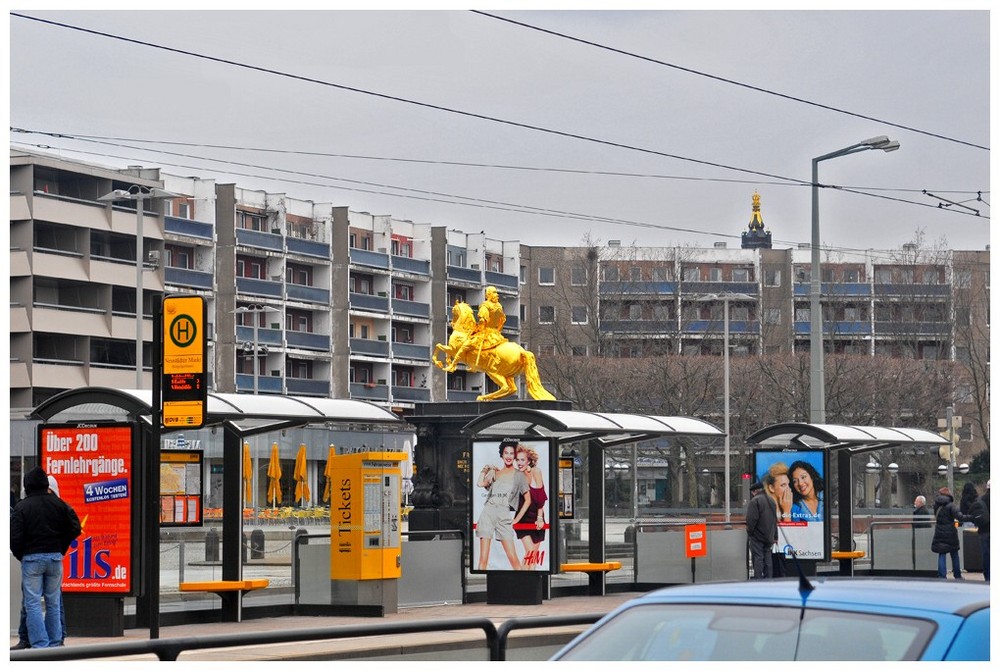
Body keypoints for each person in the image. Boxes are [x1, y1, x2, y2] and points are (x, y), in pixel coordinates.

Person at [10, 467, 82, 649]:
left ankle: (39, 644)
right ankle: (55, 642)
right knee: (53, 602)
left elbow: (14, 537)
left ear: (27, 485)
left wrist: (22, 554)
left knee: (32, 603)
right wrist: (61, 547)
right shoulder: (59, 504)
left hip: (32, 559)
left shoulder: (22, 507)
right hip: (55, 558)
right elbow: (75, 527)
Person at [475, 439, 530, 570]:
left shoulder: (519, 476)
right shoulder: (495, 473)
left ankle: (523, 586)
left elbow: (528, 500)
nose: (509, 456)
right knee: (483, 559)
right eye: (506, 453)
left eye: (512, 453)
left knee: (513, 558)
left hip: (504, 514)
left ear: (515, 456)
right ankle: (485, 588)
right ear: (502, 455)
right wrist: (486, 468)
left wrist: (516, 519)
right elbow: (480, 483)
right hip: (488, 512)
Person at [448, 286, 507, 373]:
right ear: (489, 295)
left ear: (488, 295)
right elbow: (502, 320)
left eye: (496, 292)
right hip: (496, 334)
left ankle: (453, 365)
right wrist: (498, 330)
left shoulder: (485, 306)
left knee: (465, 346)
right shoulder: (500, 307)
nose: (497, 295)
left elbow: (482, 320)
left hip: (485, 332)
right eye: (495, 293)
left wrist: (479, 330)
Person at [513, 444, 547, 569]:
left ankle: (528, 582)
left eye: (522, 460)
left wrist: (539, 518)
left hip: (537, 517)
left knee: (532, 556)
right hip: (522, 517)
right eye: (517, 460)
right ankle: (524, 581)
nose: (519, 463)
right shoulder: (517, 475)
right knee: (530, 552)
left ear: (529, 460)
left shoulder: (536, 472)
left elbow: (540, 499)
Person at [931, 486, 970, 579]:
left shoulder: (936, 505)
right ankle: (957, 575)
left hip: (939, 531)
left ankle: (942, 576)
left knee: (942, 554)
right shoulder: (951, 505)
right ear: (948, 494)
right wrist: (970, 517)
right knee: (954, 554)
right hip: (950, 532)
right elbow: (960, 517)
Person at [745, 480, 776, 579]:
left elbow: (751, 519)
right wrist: (775, 536)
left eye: (752, 493)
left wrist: (750, 532)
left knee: (758, 558)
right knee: (768, 558)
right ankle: (768, 578)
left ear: (755, 491)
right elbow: (775, 520)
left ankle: (758, 580)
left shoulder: (755, 501)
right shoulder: (772, 501)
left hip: (757, 536)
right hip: (769, 536)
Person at [968, 481, 989, 581]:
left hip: (984, 531)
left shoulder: (981, 499)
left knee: (986, 555)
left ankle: (988, 577)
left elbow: (972, 513)